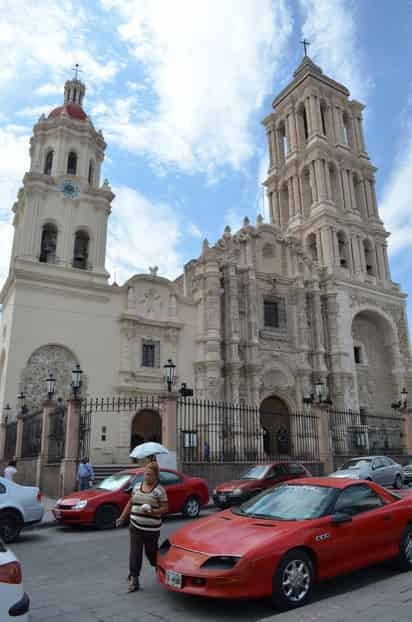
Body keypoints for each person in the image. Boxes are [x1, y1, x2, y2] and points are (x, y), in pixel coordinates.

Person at [116, 461, 168, 593]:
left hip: (151, 530)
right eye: (145, 474)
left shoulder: (159, 490)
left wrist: (153, 511)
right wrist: (122, 517)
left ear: (156, 476)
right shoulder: (137, 486)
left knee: (151, 554)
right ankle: (134, 579)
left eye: (150, 474)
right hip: (135, 526)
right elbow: (130, 502)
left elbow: (165, 508)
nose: (147, 477)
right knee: (135, 553)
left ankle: (158, 566)